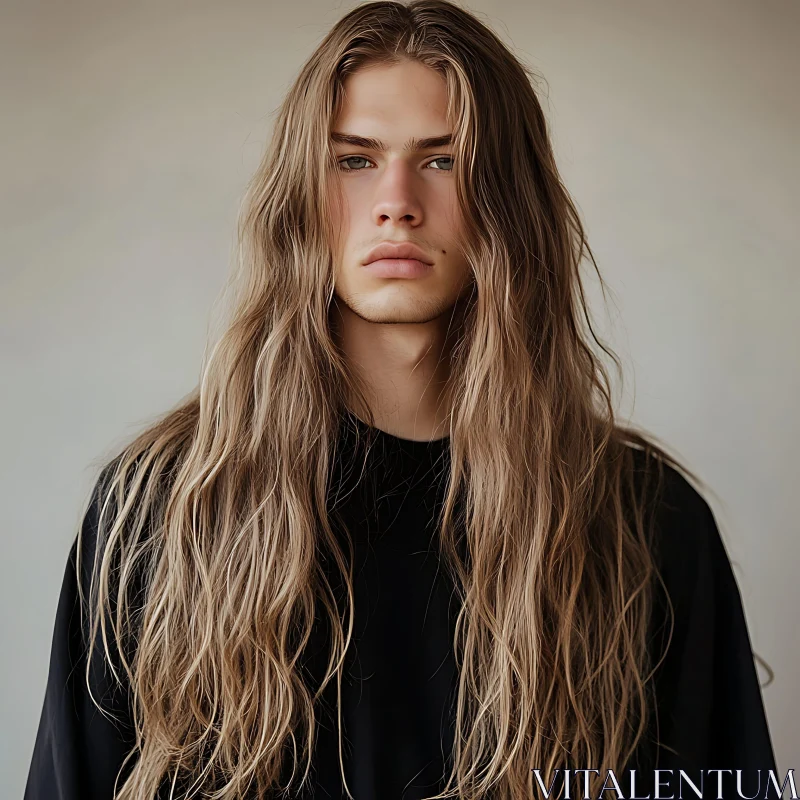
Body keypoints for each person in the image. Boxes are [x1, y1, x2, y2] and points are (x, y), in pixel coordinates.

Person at [24, 1, 778, 799]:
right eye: (354, 160)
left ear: (508, 198)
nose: (396, 201)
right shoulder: (159, 514)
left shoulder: (646, 525)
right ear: (300, 194)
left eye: (444, 161)